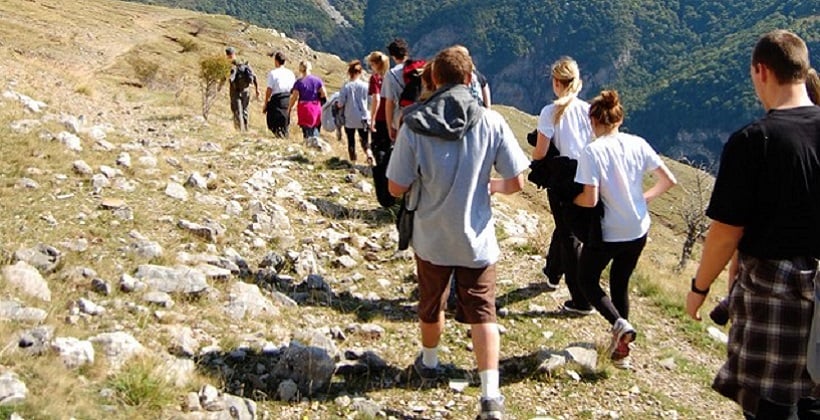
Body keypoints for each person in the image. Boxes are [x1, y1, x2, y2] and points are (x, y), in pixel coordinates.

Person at [386, 46, 530, 420]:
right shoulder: (492, 121)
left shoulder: (414, 123)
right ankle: (490, 396)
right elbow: (517, 181)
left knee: (431, 303)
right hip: (476, 239)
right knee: (484, 312)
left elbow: (395, 188)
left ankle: (429, 363)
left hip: (431, 236)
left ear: (434, 79)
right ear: (469, 79)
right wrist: (489, 187)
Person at [686, 29, 820, 419]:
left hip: (774, 296)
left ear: (761, 71)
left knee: (769, 406)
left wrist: (699, 288)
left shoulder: (754, 140)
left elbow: (726, 232)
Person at [574, 90, 677, 368]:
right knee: (620, 282)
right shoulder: (637, 143)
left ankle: (619, 324)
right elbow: (669, 180)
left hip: (609, 230)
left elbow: (590, 199)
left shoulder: (592, 151)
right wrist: (643, 199)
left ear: (593, 120)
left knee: (587, 279)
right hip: (638, 228)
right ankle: (621, 352)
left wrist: (572, 200)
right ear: (619, 119)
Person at [532, 56, 594, 312]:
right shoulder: (589, 110)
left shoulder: (550, 112)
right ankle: (552, 272)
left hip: (562, 177)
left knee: (569, 235)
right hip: (587, 175)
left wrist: (535, 160)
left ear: (556, 82)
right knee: (566, 224)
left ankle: (582, 298)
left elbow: (540, 151)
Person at [366, 51, 395, 208]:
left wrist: (372, 118)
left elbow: (376, 98)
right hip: (393, 119)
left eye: (371, 64)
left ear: (375, 64)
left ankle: (384, 193)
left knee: (380, 152)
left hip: (381, 119)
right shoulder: (391, 76)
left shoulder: (375, 78)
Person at [337, 60, 372, 163]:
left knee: (351, 140)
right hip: (363, 117)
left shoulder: (346, 86)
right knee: (364, 140)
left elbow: (340, 104)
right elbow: (370, 102)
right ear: (360, 72)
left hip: (350, 118)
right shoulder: (366, 86)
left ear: (349, 72)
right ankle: (369, 154)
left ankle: (353, 162)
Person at [287, 60, 327, 139]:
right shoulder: (318, 80)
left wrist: (289, 107)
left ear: (300, 69)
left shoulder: (299, 82)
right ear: (310, 68)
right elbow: (324, 94)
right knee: (316, 129)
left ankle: (309, 144)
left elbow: (295, 97)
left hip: (304, 108)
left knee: (307, 132)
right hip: (316, 107)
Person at [226, 46, 260, 131]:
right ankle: (246, 128)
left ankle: (238, 130)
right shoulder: (244, 63)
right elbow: (254, 76)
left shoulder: (231, 65)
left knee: (236, 110)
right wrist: (257, 89)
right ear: (234, 53)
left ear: (228, 55)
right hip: (246, 91)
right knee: (245, 110)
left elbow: (229, 78)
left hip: (235, 92)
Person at [262, 50, 296, 137]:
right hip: (287, 98)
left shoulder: (273, 73)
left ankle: (278, 134)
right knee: (285, 119)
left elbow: (269, 90)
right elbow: (294, 89)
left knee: (273, 120)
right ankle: (284, 134)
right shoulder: (290, 73)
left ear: (276, 61)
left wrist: (266, 103)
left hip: (277, 99)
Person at [382, 38, 409, 141]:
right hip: (419, 115)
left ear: (392, 56)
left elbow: (389, 102)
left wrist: (389, 127)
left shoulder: (391, 74)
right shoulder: (419, 69)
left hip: (400, 118)